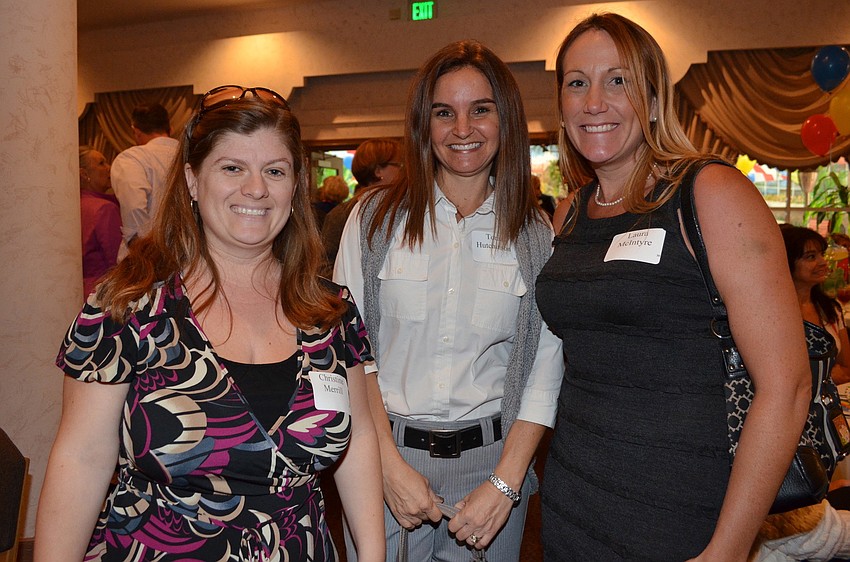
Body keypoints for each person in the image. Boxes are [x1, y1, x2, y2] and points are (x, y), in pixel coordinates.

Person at [35, 86, 385, 562]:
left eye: (275, 171)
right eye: (232, 168)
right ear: (193, 181)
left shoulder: (331, 313)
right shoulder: (128, 308)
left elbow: (360, 437)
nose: (256, 188)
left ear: (296, 186)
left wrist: (372, 554)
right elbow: (81, 459)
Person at [534, 13, 811, 561]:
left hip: (682, 515)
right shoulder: (568, 214)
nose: (594, 101)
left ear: (654, 98)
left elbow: (787, 386)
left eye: (618, 80)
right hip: (574, 503)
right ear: (561, 104)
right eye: (577, 82)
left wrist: (727, 551)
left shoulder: (710, 193)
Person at [334, 40, 564, 561]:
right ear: (424, 124)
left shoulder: (533, 234)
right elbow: (349, 353)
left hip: (492, 467)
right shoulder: (373, 221)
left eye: (480, 110)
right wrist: (387, 467)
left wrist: (505, 485)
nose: (463, 129)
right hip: (384, 455)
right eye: (445, 112)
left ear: (504, 119)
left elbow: (543, 372)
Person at [110, 102, 180, 257]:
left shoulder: (132, 158)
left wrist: (147, 256)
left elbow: (134, 208)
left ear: (135, 131)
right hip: (191, 256)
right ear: (170, 128)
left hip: (147, 259)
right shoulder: (192, 157)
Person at [321, 138, 402, 271]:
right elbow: (325, 269)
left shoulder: (405, 209)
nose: (405, 172)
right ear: (378, 171)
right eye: (400, 165)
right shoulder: (342, 215)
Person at [783, 226, 850, 385]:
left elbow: (847, 369)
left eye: (822, 254)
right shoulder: (775, 315)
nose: (822, 262)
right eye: (811, 257)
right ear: (787, 262)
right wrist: (826, 377)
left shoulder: (830, 309)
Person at [78, 146, 122, 296]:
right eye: (101, 163)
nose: (109, 168)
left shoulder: (72, 207)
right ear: (84, 174)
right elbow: (117, 261)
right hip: (103, 292)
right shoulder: (104, 209)